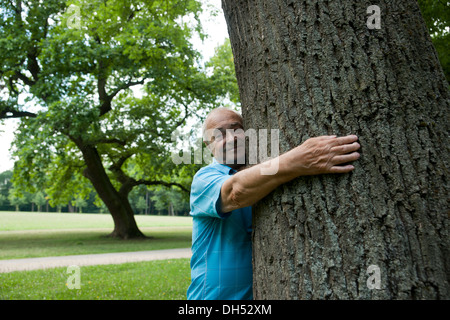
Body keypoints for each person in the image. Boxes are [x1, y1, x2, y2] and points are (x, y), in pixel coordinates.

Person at [186, 107, 361, 300]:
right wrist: (298, 160)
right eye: (219, 135)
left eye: (237, 130)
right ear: (208, 145)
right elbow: (235, 192)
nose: (232, 138)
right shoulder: (204, 179)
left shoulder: (261, 174)